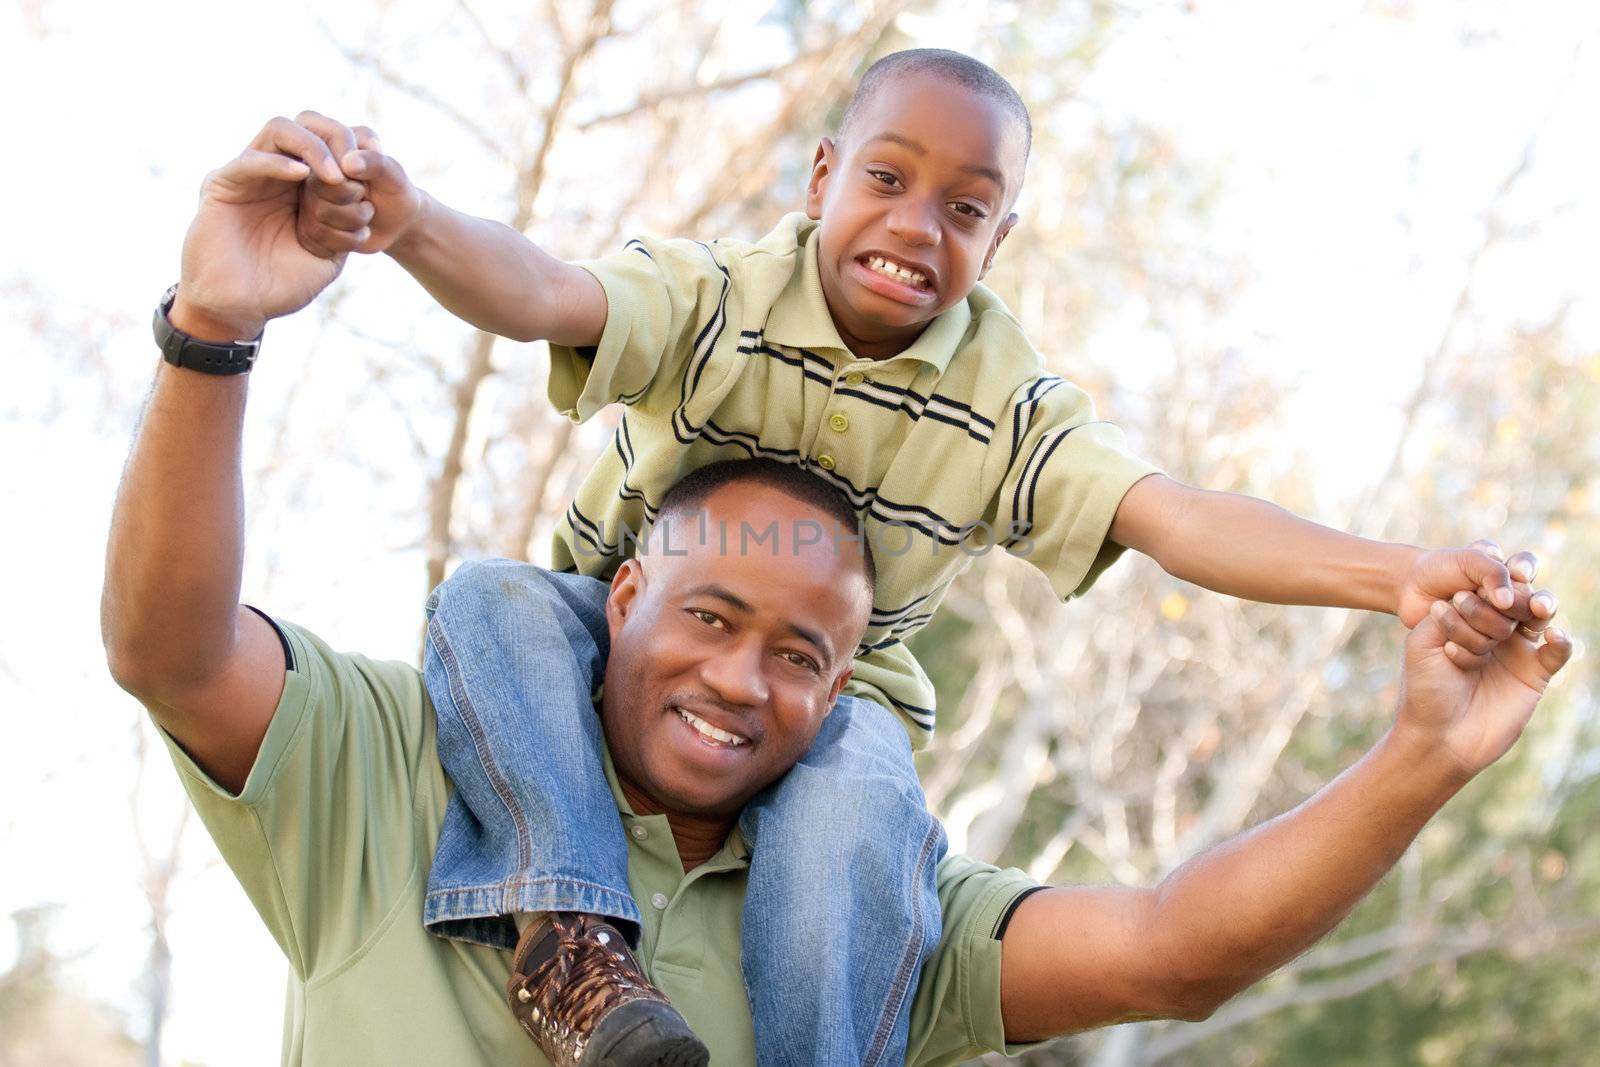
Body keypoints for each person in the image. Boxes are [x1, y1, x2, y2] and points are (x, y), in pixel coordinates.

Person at [98, 161, 1573, 1057]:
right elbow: (167, 648)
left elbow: (1172, 949)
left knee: (863, 794)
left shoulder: (851, 896)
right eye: (709, 619)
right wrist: (224, 324)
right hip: (521, 681)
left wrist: (1423, 738)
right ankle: (566, 941)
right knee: (486, 597)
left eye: (801, 652)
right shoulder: (397, 769)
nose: (744, 680)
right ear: (624, 597)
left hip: (852, 825)